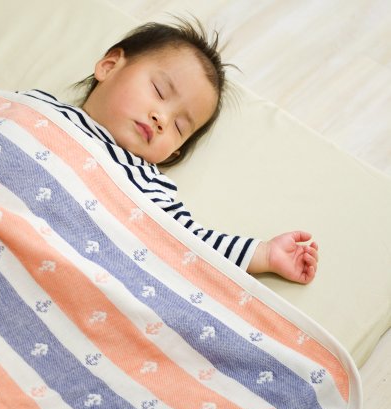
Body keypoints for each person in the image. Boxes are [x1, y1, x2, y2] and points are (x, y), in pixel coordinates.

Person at [23, 19, 318, 284]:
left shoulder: (145, 180)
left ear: (172, 154)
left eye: (179, 126)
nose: (162, 119)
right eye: (160, 91)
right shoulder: (38, 106)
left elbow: (186, 242)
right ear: (110, 66)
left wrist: (263, 255)